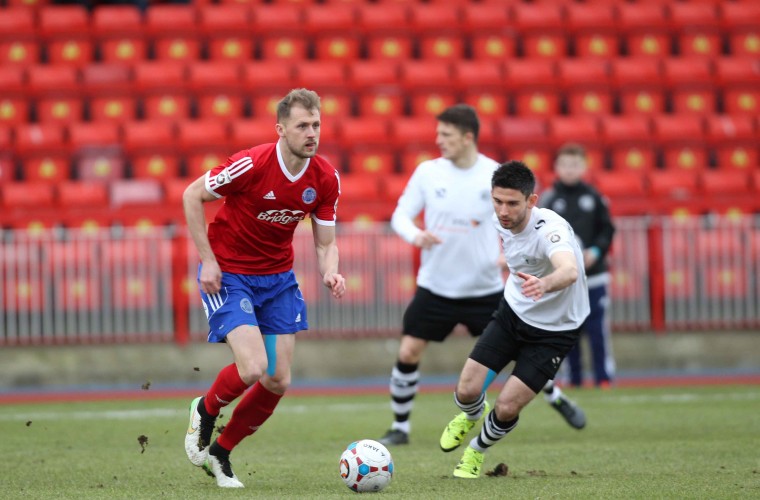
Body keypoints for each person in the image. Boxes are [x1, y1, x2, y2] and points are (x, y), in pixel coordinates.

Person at [377, 105, 583, 448]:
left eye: (446, 135)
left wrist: (510, 256)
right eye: (438, 133)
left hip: (484, 287)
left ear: (467, 137)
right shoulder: (428, 173)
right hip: (436, 285)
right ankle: (400, 427)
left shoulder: (494, 175)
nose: (438, 140)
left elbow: (527, 221)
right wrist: (416, 236)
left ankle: (555, 396)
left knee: (520, 354)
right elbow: (400, 214)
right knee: (409, 350)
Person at [182, 88, 345, 488]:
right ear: (281, 129)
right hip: (231, 274)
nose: (312, 133)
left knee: (277, 379)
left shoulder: (324, 177)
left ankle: (221, 454)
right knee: (253, 367)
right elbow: (191, 195)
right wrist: (208, 260)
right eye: (302, 125)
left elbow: (326, 242)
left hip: (278, 279)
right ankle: (204, 410)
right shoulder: (250, 164)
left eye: (317, 125)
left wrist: (330, 271)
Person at [439, 160, 590, 479]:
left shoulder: (550, 230)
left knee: (507, 407)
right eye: (497, 201)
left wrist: (545, 283)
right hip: (513, 313)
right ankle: (471, 415)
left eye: (512, 203)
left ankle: (476, 452)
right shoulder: (499, 220)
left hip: (555, 330)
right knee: (467, 390)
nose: (503, 210)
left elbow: (569, 270)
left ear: (532, 201)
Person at [540, 143, 616, 388]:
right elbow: (538, 234)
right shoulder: (549, 200)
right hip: (565, 278)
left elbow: (607, 229)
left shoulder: (594, 197)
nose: (570, 170)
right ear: (556, 167)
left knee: (597, 330)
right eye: (565, 165)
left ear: (583, 167)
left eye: (575, 165)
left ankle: (603, 378)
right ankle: (574, 380)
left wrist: (595, 251)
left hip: (594, 277)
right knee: (569, 331)